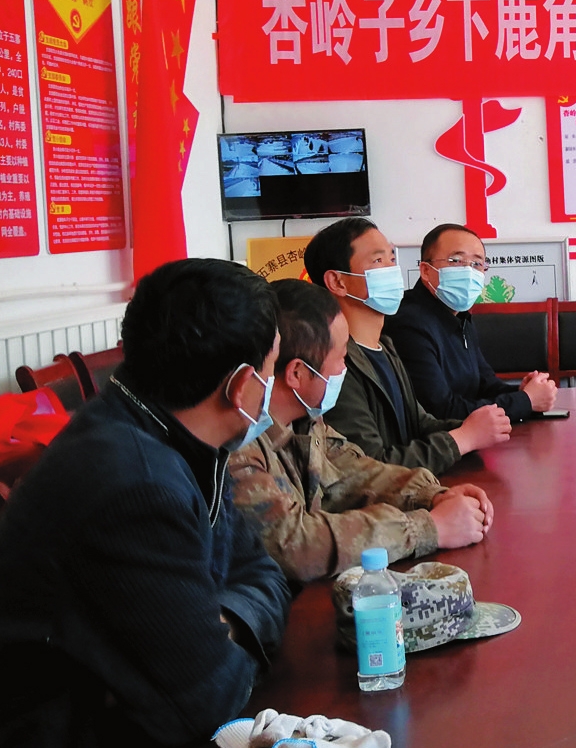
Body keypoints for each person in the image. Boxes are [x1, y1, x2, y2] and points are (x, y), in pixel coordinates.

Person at [0, 259, 292, 748]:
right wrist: (219, 629)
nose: (272, 386)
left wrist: (219, 622)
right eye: (272, 369)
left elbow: (263, 571)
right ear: (239, 386)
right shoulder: (134, 480)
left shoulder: (172, 431)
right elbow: (211, 697)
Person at [231, 279, 496, 586]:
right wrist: (428, 527)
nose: (344, 369)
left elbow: (354, 471)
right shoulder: (240, 444)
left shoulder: (306, 420)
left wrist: (432, 496)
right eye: (341, 357)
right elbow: (296, 544)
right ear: (297, 373)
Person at [305, 217, 511, 475]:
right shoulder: (334, 364)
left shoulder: (384, 347)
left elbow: (418, 422)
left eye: (392, 259)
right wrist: (462, 439)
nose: (392, 270)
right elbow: (369, 466)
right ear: (338, 282)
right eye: (378, 260)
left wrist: (474, 428)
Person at [388, 222, 557, 424]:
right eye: (456, 260)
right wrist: (525, 401)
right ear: (425, 270)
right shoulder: (408, 323)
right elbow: (441, 410)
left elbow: (485, 385)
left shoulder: (461, 317)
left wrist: (522, 392)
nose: (468, 271)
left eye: (477, 264)